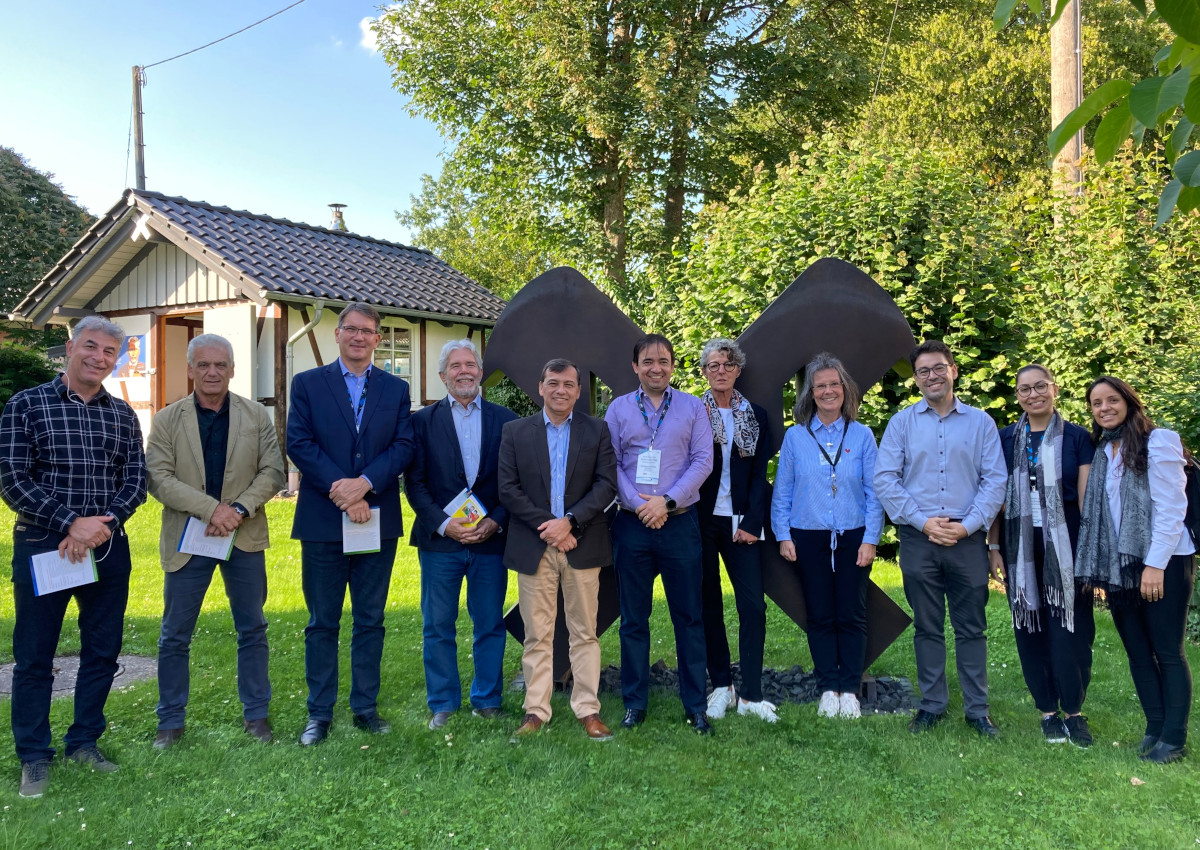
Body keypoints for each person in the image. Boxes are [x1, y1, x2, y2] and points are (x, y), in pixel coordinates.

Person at [0, 316, 147, 798]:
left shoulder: (122, 414)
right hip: (45, 544)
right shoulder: (26, 405)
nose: (99, 358)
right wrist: (70, 523)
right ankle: (34, 756)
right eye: (91, 347)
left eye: (109, 352)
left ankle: (84, 741)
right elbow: (13, 480)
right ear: (69, 348)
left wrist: (99, 527)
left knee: (102, 651)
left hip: (107, 545)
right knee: (35, 655)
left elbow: (135, 482)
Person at [146, 333, 286, 749]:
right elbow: (158, 477)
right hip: (190, 538)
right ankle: (170, 722)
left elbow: (273, 471)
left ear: (232, 369)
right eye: (203, 365)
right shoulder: (167, 419)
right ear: (190, 369)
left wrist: (238, 510)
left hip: (243, 537)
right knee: (175, 633)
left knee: (253, 629)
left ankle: (257, 716)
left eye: (220, 365)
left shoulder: (255, 417)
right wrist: (212, 510)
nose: (212, 372)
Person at [286, 303, 414, 745]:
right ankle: (318, 715)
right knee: (322, 621)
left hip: (376, 518)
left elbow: (403, 446)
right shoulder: (307, 384)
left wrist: (365, 483)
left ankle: (364, 708)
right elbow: (298, 443)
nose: (360, 338)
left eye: (368, 332)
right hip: (323, 520)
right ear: (337, 334)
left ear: (378, 340)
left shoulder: (396, 390)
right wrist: (342, 489)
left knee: (371, 619)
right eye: (351, 330)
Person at [874, 340, 1006, 736]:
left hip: (967, 539)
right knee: (927, 627)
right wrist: (923, 522)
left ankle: (977, 710)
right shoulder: (902, 423)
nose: (931, 376)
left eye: (938, 368)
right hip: (919, 540)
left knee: (972, 628)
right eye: (923, 371)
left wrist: (967, 526)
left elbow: (995, 480)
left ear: (954, 371)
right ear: (915, 379)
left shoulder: (980, 423)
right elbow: (886, 479)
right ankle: (932, 704)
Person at [1076, 376, 1196, 764]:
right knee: (1138, 652)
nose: (1104, 408)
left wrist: (1155, 565)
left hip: (1165, 560)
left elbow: (1172, 508)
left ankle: (1174, 740)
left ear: (1129, 401)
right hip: (1119, 565)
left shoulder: (1158, 441)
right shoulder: (1102, 451)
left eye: (1112, 400)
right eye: (1096, 403)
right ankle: (1155, 729)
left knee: (1167, 650)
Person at [498, 359, 618, 740]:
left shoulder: (597, 431)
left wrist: (570, 522)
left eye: (568, 384)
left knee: (584, 632)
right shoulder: (515, 432)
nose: (561, 390)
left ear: (578, 391)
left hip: (581, 544)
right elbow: (508, 489)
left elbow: (606, 485)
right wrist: (551, 528)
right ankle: (536, 711)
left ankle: (588, 709)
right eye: (553, 383)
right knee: (538, 634)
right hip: (535, 546)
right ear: (541, 387)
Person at [605, 334, 715, 733]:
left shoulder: (692, 407)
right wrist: (639, 504)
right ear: (635, 366)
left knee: (689, 617)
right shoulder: (618, 410)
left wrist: (665, 502)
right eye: (648, 361)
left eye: (663, 361)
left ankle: (695, 705)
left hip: (680, 523)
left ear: (672, 366)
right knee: (634, 619)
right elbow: (611, 464)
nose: (656, 367)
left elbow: (703, 460)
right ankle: (635, 703)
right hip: (632, 525)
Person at [407, 339, 517, 730]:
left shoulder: (507, 421)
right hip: (440, 542)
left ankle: (487, 699)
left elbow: (515, 483)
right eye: (455, 366)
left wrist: (497, 520)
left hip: (491, 541)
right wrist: (443, 522)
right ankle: (443, 702)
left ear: (480, 372)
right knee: (438, 624)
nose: (464, 371)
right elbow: (414, 484)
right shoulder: (420, 422)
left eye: (470, 364)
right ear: (442, 376)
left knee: (489, 622)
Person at [987, 364, 1095, 746]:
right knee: (1030, 627)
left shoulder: (1079, 438)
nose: (1033, 395)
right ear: (1017, 395)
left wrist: (1087, 555)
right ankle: (1048, 711)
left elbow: (1085, 503)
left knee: (1073, 632)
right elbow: (997, 501)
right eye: (1024, 390)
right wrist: (994, 547)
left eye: (1040, 387)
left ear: (1055, 388)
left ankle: (1074, 713)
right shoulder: (1004, 439)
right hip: (1020, 547)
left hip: (1066, 547)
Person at [774, 352, 882, 719]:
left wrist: (871, 538)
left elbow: (874, 492)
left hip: (853, 536)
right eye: (820, 386)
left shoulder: (863, 435)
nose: (828, 391)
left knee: (851, 613)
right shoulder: (796, 438)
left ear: (844, 388)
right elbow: (783, 491)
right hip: (807, 535)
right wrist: (782, 534)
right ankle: (827, 688)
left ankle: (849, 688)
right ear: (811, 393)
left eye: (833, 384)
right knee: (819, 614)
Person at [695, 339, 775, 723]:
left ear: (738, 370)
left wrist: (753, 522)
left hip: (742, 521)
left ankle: (752, 695)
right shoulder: (694, 413)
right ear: (705, 372)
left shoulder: (755, 415)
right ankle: (721, 686)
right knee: (709, 603)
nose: (720, 371)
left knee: (753, 607)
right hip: (703, 521)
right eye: (713, 365)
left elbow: (760, 475)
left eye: (727, 364)